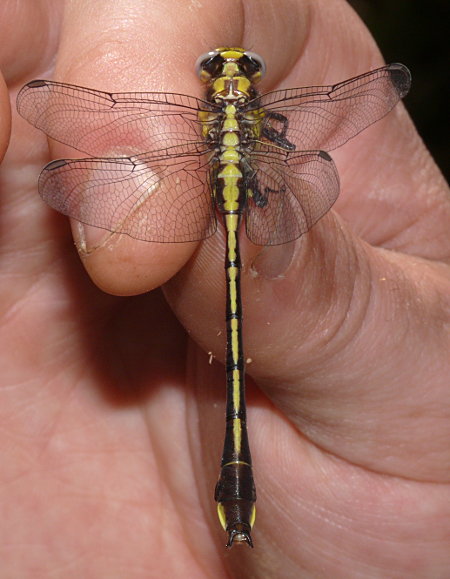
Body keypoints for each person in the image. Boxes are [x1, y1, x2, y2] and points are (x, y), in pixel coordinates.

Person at [1, 0, 449, 576]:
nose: (234, 74)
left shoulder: (219, 117)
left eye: (242, 68)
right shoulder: (242, 119)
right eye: (222, 67)